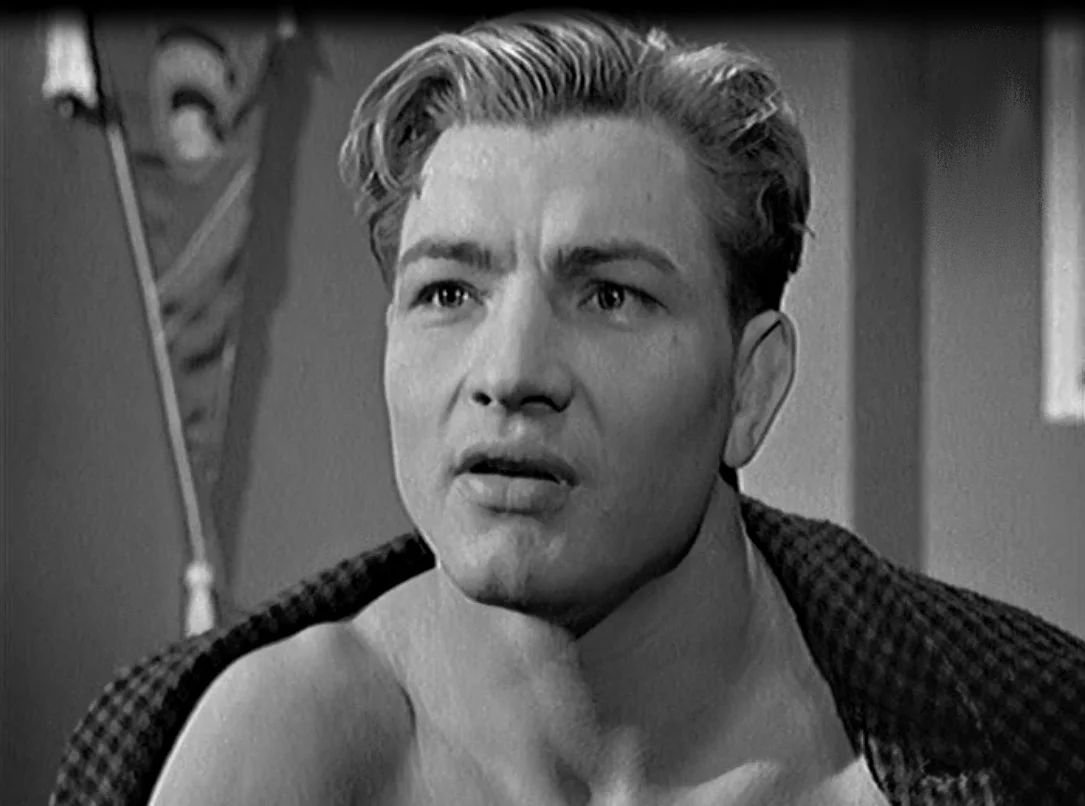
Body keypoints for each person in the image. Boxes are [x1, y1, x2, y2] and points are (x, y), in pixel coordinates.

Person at [53, 11, 1084, 806]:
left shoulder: (1024, 736)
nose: (509, 372)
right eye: (447, 292)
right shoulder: (242, 750)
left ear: (751, 387)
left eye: (610, 296)